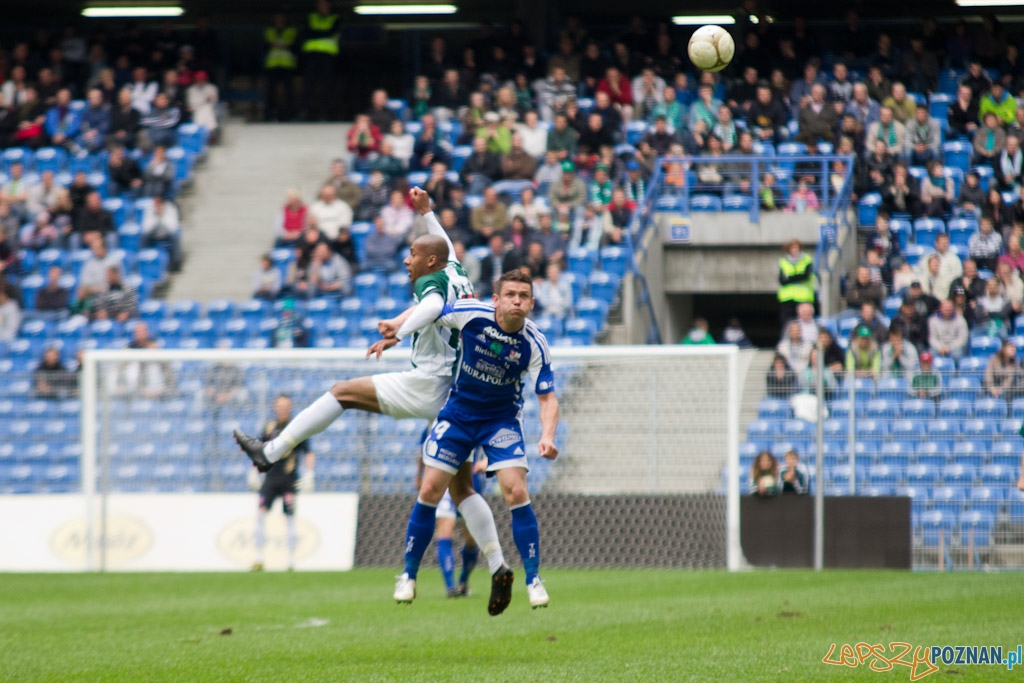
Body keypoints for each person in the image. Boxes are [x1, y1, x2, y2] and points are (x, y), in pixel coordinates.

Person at [234, 188, 512, 611]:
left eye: (414, 254)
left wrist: (398, 335)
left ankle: (270, 452)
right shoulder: (455, 268)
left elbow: (432, 306)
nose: (407, 260)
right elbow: (447, 247)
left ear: (429, 262)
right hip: (458, 393)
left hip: (430, 384)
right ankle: (498, 566)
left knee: (341, 392)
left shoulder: (433, 282)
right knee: (462, 488)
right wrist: (428, 214)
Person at [374, 269, 557, 613]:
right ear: (496, 299)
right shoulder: (471, 313)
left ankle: (533, 579)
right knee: (430, 489)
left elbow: (547, 398)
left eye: (523, 296)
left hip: (501, 419)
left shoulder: (535, 342)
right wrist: (397, 332)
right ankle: (408, 575)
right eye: (510, 294)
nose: (517, 300)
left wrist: (547, 437)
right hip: (458, 413)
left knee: (516, 491)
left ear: (531, 303)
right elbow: (429, 310)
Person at [250, 395, 315, 572]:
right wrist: (254, 470)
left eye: (286, 406)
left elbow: (308, 452)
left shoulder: (297, 427)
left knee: (290, 520)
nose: (283, 409)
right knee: (261, 515)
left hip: (289, 481)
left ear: (290, 407)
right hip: (270, 479)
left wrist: (309, 473)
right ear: (274, 407)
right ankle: (258, 558)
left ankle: (291, 560)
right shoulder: (269, 428)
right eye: (280, 406)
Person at [300, 0, 340, 121]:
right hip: (312, 56)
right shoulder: (311, 17)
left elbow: (332, 32)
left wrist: (315, 33)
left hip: (328, 56)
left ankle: (325, 114)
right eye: (320, 4)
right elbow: (306, 33)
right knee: (309, 86)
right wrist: (324, 33)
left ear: (329, 5)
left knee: (327, 86)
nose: (322, 7)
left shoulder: (335, 18)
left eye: (325, 4)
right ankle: (305, 113)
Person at [263, 12, 298, 121]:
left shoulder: (291, 30)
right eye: (277, 17)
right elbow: (266, 45)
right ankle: (270, 115)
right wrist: (283, 45)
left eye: (281, 17)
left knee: (289, 92)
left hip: (287, 65)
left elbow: (293, 45)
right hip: (272, 65)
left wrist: (278, 45)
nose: (279, 19)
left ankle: (290, 115)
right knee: (270, 92)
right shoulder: (269, 30)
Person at [777, 239, 815, 327]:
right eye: (791, 248)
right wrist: (797, 276)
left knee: (804, 323)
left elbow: (805, 276)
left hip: (803, 297)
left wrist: (789, 278)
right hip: (788, 297)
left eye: (795, 247)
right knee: (787, 323)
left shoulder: (806, 259)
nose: (794, 250)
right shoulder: (783, 261)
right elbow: (782, 280)